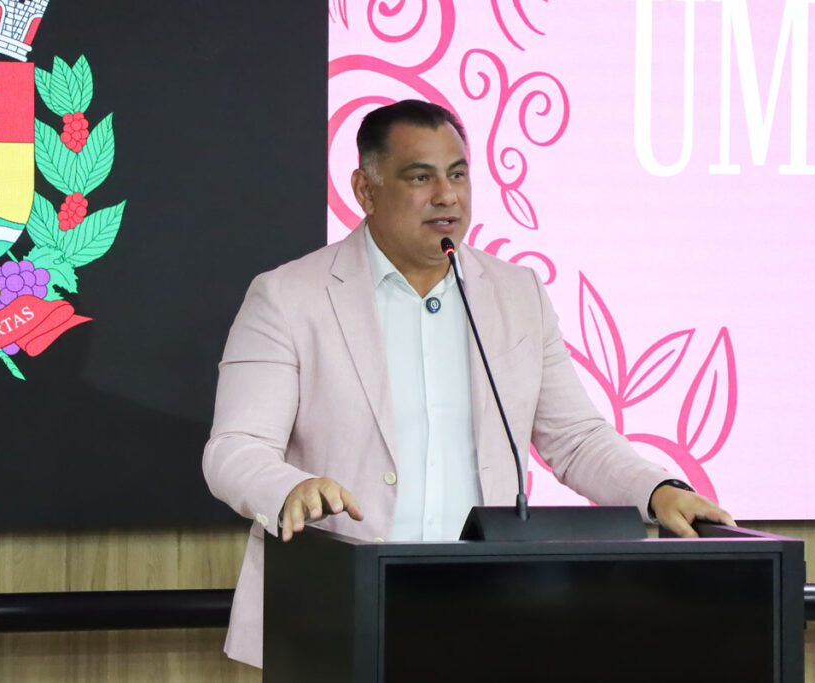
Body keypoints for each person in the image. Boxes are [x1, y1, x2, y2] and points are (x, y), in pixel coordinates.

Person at [203, 99, 734, 667]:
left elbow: (576, 438)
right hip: (335, 611)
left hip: (481, 614)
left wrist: (657, 491)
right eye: (420, 177)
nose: (447, 196)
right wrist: (290, 489)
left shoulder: (516, 294)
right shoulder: (288, 297)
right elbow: (234, 449)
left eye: (457, 175)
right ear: (365, 189)